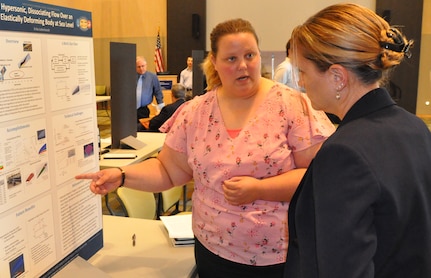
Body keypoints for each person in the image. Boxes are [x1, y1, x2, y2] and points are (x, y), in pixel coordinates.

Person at [76, 18, 335, 278]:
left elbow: (318, 175)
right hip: (213, 251)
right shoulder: (197, 111)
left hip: (279, 256)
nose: (243, 65)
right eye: (231, 59)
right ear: (215, 62)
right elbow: (168, 171)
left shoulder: (292, 105)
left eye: (249, 55)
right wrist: (121, 176)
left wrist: (260, 189)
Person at [284, 3, 431, 278]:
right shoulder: (415, 127)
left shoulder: (344, 153)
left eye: (303, 71)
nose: (301, 83)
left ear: (338, 77)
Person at [136, 56, 165, 122]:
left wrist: (161, 107)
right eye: (138, 67)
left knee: (142, 128)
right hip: (130, 109)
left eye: (143, 66)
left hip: (143, 109)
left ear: (146, 65)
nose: (141, 68)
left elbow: (158, 91)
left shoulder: (152, 77)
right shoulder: (130, 76)